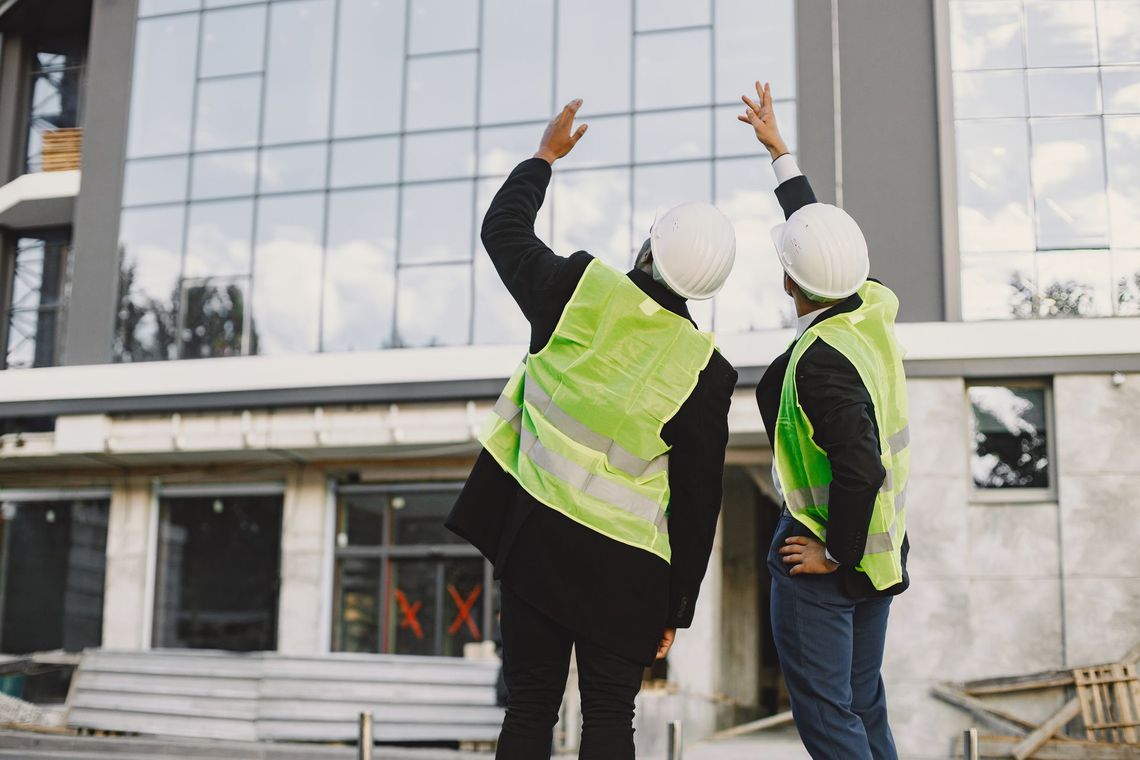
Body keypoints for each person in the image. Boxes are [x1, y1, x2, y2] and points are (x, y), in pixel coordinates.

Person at [446, 98, 739, 760]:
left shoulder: (578, 288)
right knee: (610, 717)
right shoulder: (707, 370)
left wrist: (543, 158)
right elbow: (699, 503)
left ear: (648, 247)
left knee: (528, 709)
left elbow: (503, 231)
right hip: (628, 574)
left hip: (535, 546)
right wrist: (676, 608)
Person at [737, 81, 912, 760]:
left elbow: (860, 463)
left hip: (829, 555)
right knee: (864, 708)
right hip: (882, 548)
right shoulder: (868, 305)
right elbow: (819, 238)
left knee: (830, 719)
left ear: (789, 282)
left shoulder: (820, 360)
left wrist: (832, 550)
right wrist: (780, 152)